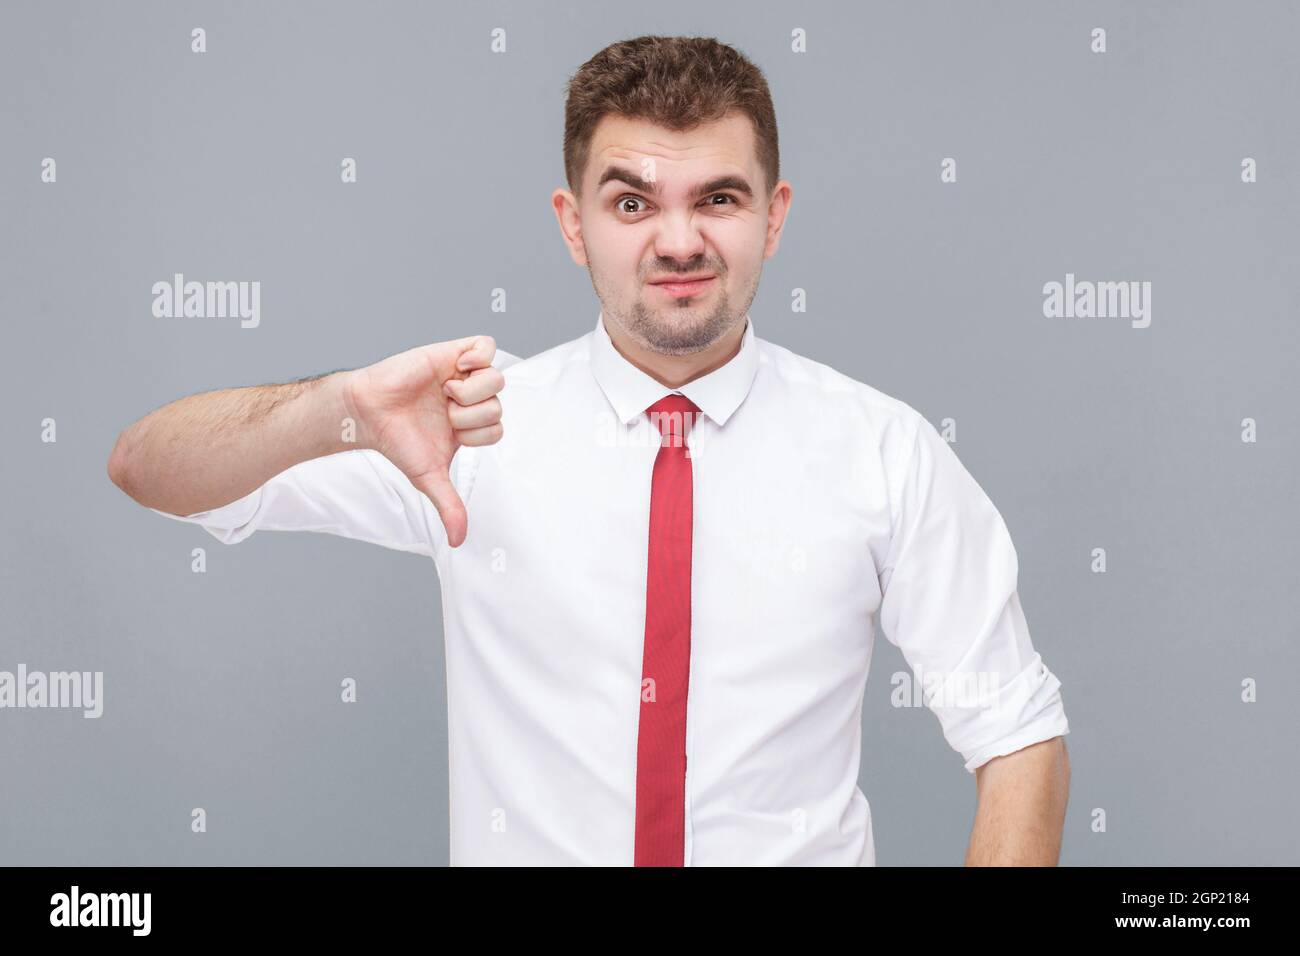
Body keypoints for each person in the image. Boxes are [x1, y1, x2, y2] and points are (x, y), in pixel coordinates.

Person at [107, 35, 1070, 866]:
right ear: (574, 225)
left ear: (774, 216)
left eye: (719, 199)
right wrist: (339, 409)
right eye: (633, 203)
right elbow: (149, 470)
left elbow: (1020, 735)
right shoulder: (464, 425)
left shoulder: (882, 452)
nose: (679, 240)